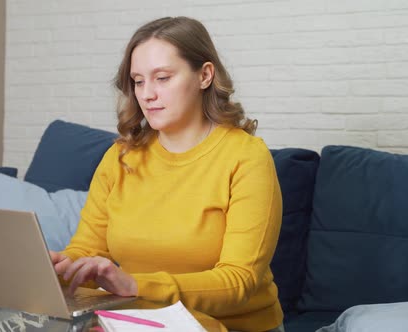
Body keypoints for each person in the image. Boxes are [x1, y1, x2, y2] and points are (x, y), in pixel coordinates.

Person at [50, 16, 284, 332]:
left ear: (204, 75)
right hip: (138, 320)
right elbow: (87, 249)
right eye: (138, 80)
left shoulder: (246, 157)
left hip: (233, 326)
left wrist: (133, 284)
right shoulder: (120, 156)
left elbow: (238, 281)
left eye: (162, 78)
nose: (147, 94)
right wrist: (61, 268)